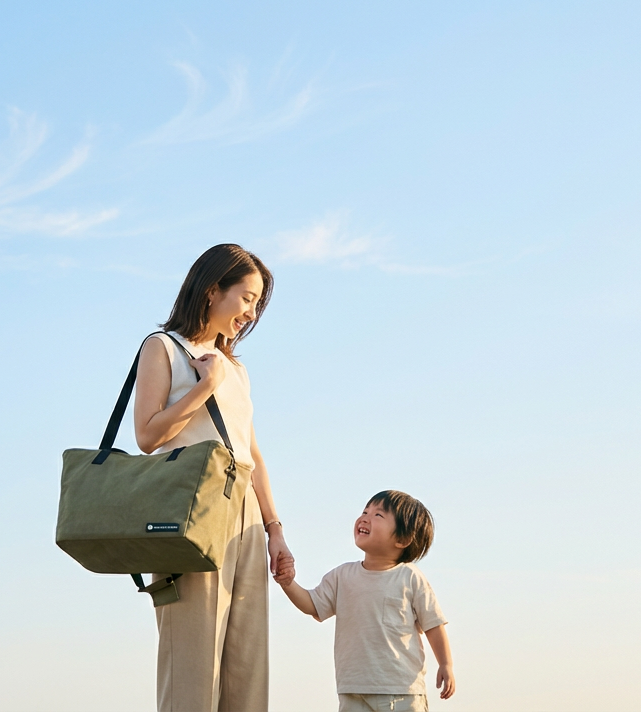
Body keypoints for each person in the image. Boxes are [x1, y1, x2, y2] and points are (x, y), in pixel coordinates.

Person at [133, 243, 292, 712]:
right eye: (247, 298)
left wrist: (275, 531)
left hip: (245, 515)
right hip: (192, 509)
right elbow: (147, 435)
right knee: (193, 667)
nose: (251, 313)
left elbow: (252, 454)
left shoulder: (236, 369)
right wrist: (206, 386)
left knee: (247, 669)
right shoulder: (163, 347)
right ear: (211, 290)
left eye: (257, 303)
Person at [275, 490, 456, 712]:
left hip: (401, 690)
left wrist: (446, 664)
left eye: (378, 515)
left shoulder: (410, 577)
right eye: (364, 511)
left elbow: (433, 624)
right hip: (353, 690)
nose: (365, 518)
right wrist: (288, 583)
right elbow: (312, 604)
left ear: (402, 539)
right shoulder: (342, 575)